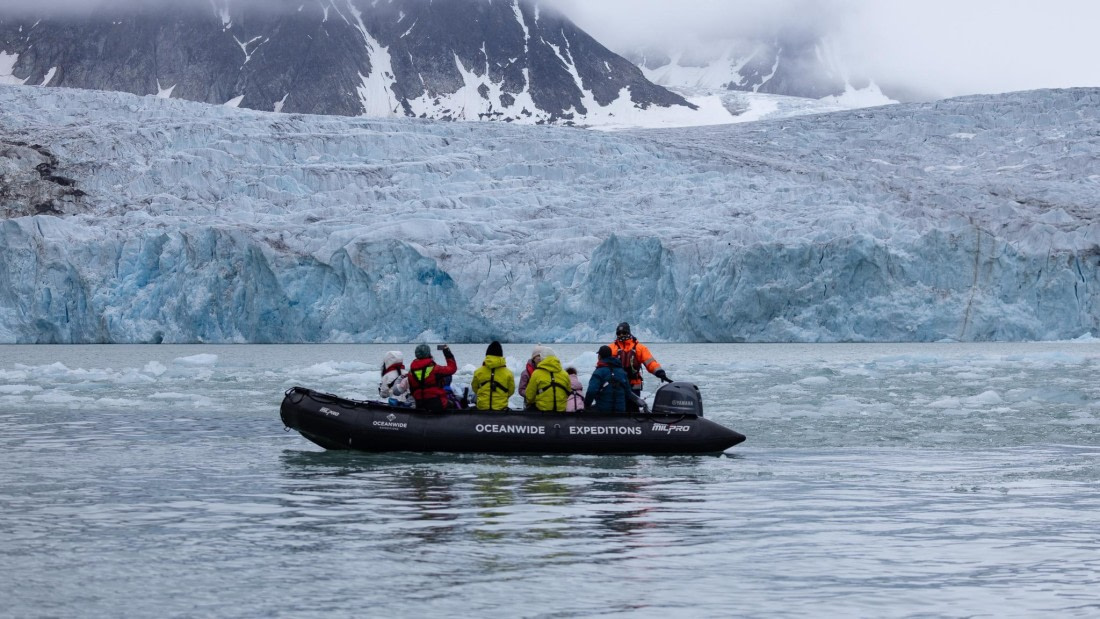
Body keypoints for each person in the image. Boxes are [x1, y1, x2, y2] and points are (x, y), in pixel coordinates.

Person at [608, 322, 670, 412]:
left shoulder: (639, 348)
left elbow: (650, 362)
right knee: (617, 408)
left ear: (629, 332)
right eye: (619, 333)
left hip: (634, 385)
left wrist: (659, 372)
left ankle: (634, 424)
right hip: (617, 385)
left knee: (633, 408)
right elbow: (604, 364)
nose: (621, 335)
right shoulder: (611, 348)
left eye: (624, 333)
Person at [407, 343, 458, 411]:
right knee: (454, 404)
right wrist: (446, 351)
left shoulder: (410, 372)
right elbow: (452, 368)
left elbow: (412, 390)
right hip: (437, 403)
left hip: (419, 404)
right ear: (428, 354)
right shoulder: (435, 369)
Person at [524, 345, 572, 412]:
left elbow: (529, 396)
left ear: (542, 358)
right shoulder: (565, 374)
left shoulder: (536, 373)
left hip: (542, 411)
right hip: (561, 411)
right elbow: (569, 392)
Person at [471, 341, 515, 411]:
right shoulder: (508, 373)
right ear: (501, 355)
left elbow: (474, 388)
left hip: (482, 408)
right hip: (501, 408)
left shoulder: (478, 372)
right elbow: (511, 391)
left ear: (487, 354)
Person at [584, 345, 630, 413]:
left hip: (603, 409)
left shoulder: (599, 372)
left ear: (599, 356)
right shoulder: (622, 372)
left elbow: (591, 391)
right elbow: (628, 392)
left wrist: (586, 405)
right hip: (620, 410)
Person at [517, 345, 543, 410]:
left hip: (544, 404)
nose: (540, 358)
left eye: (542, 356)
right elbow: (521, 390)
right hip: (530, 405)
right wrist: (531, 394)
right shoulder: (525, 374)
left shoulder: (547, 372)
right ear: (533, 358)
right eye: (538, 355)